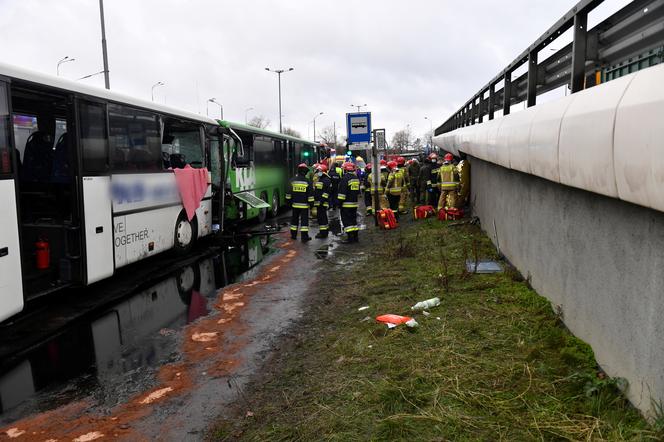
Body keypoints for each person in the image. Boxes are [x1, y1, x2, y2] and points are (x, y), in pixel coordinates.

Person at [285, 163, 314, 242]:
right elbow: (310, 195)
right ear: (305, 172)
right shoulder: (308, 182)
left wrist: (288, 202)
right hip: (304, 206)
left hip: (295, 205)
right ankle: (304, 237)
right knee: (304, 221)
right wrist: (311, 204)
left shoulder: (292, 180)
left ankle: (293, 235)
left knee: (294, 220)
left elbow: (288, 192)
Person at [337, 162, 361, 243]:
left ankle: (350, 238)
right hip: (354, 203)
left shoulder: (345, 179)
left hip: (346, 204)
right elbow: (358, 192)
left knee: (347, 221)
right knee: (353, 220)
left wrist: (339, 203)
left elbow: (342, 194)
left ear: (345, 170)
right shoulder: (355, 178)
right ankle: (355, 237)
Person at [314, 163, 332, 238]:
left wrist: (321, 201)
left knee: (322, 218)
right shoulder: (321, 179)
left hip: (322, 203)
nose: (318, 173)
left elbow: (326, 193)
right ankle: (323, 231)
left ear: (323, 171)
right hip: (320, 202)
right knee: (321, 217)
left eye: (319, 171)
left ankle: (323, 233)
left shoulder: (326, 180)